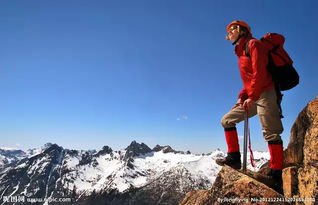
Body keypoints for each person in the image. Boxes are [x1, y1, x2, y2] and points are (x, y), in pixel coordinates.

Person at [216, 20, 284, 187]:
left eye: (232, 29)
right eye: (228, 32)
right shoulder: (240, 54)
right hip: (253, 94)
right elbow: (248, 79)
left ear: (241, 30)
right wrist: (241, 96)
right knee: (227, 120)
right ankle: (234, 159)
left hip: (265, 92)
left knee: (270, 132)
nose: (229, 33)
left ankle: (276, 175)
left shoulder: (254, 44)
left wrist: (252, 97)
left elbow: (260, 73)